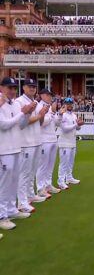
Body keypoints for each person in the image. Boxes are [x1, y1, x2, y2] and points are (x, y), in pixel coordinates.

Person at [0, 77, 34, 230]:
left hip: (15, 148)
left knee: (13, 183)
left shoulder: (13, 104)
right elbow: (4, 125)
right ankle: (2, 216)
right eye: (9, 88)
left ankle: (11, 210)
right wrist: (23, 113)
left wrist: (27, 114)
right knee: (4, 185)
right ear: (2, 88)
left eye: (14, 88)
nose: (12, 91)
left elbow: (21, 125)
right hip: (4, 150)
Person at [14, 79, 49, 213]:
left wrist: (42, 115)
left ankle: (30, 194)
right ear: (23, 87)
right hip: (26, 142)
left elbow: (40, 123)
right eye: (30, 86)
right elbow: (23, 122)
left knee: (32, 172)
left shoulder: (35, 102)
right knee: (24, 173)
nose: (33, 88)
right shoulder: (19, 102)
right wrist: (39, 115)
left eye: (34, 86)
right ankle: (22, 202)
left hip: (36, 140)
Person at [35, 89, 63, 198]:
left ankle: (48, 184)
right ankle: (40, 188)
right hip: (44, 139)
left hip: (52, 139)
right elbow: (42, 123)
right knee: (43, 165)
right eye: (47, 95)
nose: (49, 97)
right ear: (41, 95)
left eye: (50, 95)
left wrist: (59, 114)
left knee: (50, 165)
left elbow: (56, 122)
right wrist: (51, 112)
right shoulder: (39, 106)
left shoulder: (50, 107)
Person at [57, 98, 84, 189]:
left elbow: (77, 128)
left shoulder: (73, 115)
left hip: (72, 142)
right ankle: (61, 181)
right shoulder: (62, 115)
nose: (69, 105)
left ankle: (69, 177)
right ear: (64, 104)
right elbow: (64, 128)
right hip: (64, 142)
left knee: (70, 162)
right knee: (64, 163)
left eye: (71, 103)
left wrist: (79, 124)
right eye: (67, 103)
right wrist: (76, 125)